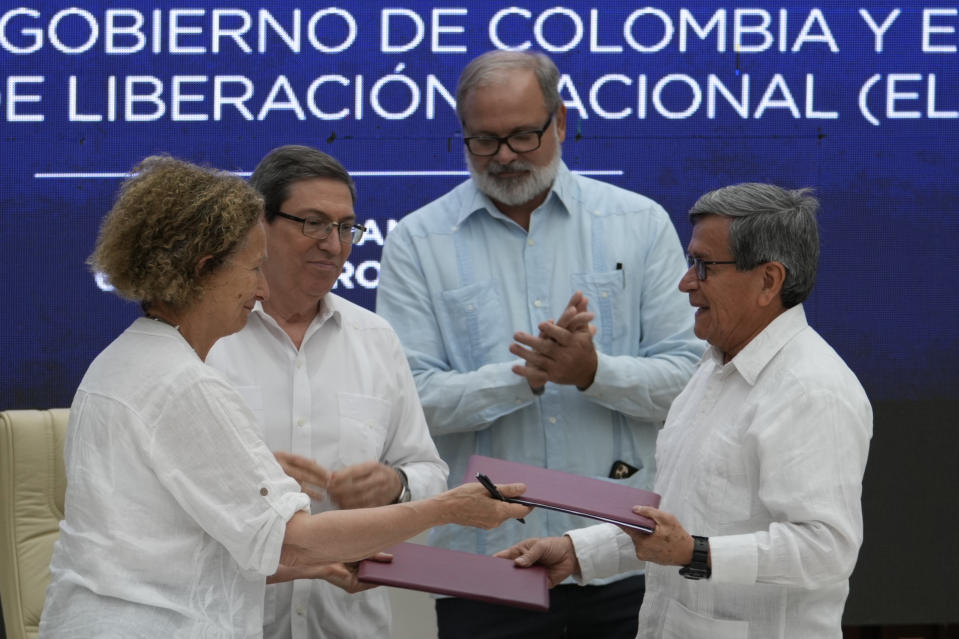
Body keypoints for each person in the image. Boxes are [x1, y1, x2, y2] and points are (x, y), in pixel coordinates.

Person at [38, 155, 530, 638]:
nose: (258, 288)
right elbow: (287, 541)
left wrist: (321, 562)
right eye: (253, 268)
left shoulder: (126, 359)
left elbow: (179, 550)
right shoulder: (186, 381)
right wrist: (449, 509)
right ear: (206, 269)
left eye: (346, 228)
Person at [376, 50, 703, 638]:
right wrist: (522, 378)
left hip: (625, 551)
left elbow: (691, 380)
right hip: (487, 564)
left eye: (523, 136)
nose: (503, 156)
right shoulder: (418, 242)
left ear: (561, 121)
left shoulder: (639, 222)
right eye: (483, 140)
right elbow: (409, 403)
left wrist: (592, 373)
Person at [498, 183, 873, 639]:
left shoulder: (811, 389)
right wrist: (577, 551)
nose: (685, 282)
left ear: (769, 281)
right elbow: (674, 520)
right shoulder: (711, 368)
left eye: (704, 266)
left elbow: (826, 549)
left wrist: (696, 552)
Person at [205, 144, 449, 639]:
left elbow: (431, 472)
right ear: (260, 226)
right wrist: (248, 478)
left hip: (348, 624)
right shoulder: (206, 338)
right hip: (229, 621)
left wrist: (395, 485)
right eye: (313, 223)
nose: (333, 245)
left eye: (345, 227)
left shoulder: (376, 338)